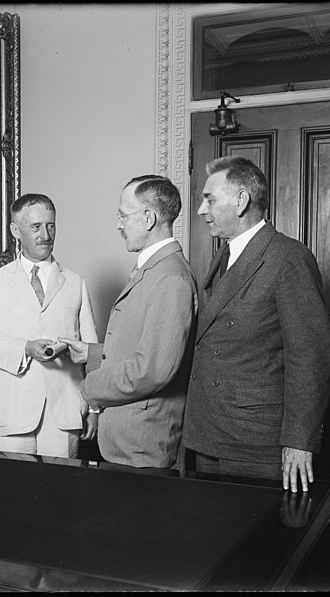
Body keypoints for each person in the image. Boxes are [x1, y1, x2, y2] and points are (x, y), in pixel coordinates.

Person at [182, 155, 330, 492]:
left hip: (255, 441)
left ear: (240, 201)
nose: (200, 211)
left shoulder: (288, 258)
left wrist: (300, 441)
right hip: (210, 434)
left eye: (209, 199)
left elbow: (310, 358)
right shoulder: (224, 255)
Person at [59, 175, 198, 470]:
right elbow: (140, 347)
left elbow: (152, 370)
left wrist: (89, 386)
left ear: (148, 218)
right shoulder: (154, 270)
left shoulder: (171, 278)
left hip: (142, 449)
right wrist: (91, 353)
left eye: (123, 215)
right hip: (126, 445)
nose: (118, 225)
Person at [0, 193, 99, 459]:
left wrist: (95, 408)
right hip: (11, 410)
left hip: (64, 411)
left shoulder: (75, 282)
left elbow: (92, 350)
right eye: (36, 227)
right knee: (11, 493)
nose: (46, 234)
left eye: (51, 225)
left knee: (61, 493)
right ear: (15, 230)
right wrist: (25, 348)